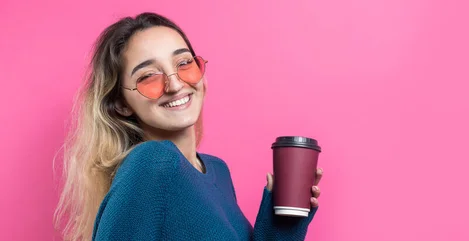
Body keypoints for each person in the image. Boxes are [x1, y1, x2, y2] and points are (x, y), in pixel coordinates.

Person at [54, 12, 323, 241]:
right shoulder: (151, 164)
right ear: (122, 104)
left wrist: (282, 219)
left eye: (184, 64)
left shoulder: (217, 170)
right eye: (149, 76)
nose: (175, 85)